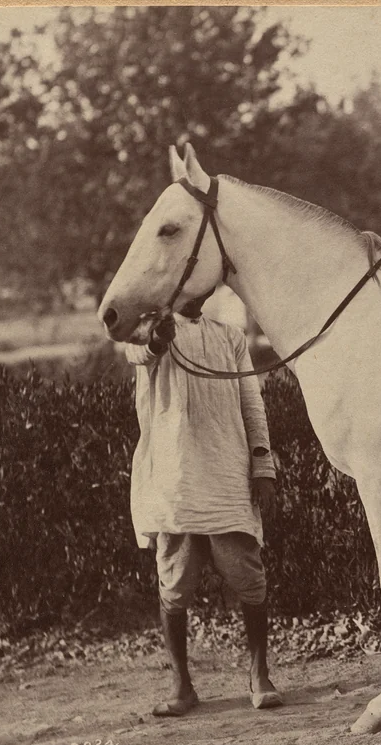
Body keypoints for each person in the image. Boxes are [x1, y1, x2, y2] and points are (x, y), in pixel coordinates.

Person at [125, 294, 282, 716]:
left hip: (226, 471)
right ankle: (182, 685)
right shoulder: (152, 331)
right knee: (174, 582)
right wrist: (157, 339)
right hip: (174, 473)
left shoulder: (228, 337)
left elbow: (251, 400)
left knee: (248, 576)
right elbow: (136, 352)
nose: (197, 292)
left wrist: (262, 463)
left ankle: (259, 674)